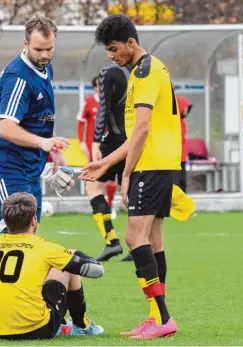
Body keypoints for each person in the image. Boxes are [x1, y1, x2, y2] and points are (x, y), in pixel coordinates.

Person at [81, 14, 180, 338]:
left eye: (113, 49)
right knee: (153, 239)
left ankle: (162, 318)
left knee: (134, 238)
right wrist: (105, 164)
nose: (111, 56)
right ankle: (157, 316)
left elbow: (141, 129)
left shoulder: (145, 71)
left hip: (151, 165)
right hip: (162, 163)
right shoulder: (145, 70)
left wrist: (124, 174)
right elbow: (137, 133)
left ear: (131, 43)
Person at [0, 16, 72, 233]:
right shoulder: (18, 77)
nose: (45, 55)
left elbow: (42, 117)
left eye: (50, 49)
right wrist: (44, 143)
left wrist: (53, 149)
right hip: (3, 166)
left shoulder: (46, 69)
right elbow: (6, 128)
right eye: (39, 49)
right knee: (15, 235)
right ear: (26, 44)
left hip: (28, 167)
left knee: (30, 234)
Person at [0, 192, 105, 340]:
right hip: (36, 328)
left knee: (42, 272)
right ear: (33, 221)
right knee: (66, 267)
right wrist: (74, 253)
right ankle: (82, 326)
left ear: (5, 222)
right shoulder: (44, 248)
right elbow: (97, 271)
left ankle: (64, 323)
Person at [84, 64, 132, 262]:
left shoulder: (107, 73)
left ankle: (112, 242)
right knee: (130, 193)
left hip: (114, 140)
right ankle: (140, 246)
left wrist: (95, 142)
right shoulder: (141, 71)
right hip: (134, 139)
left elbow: (103, 110)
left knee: (93, 188)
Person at [77, 76, 118, 221]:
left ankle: (111, 205)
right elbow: (81, 122)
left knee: (112, 178)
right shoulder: (88, 103)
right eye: (97, 86)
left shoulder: (113, 102)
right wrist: (82, 142)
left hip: (111, 145)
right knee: (96, 178)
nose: (100, 88)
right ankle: (101, 207)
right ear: (94, 87)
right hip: (93, 146)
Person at [176, 96, 193, 193]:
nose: (186, 111)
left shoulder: (182, 121)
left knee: (182, 183)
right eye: (185, 108)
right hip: (176, 157)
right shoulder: (174, 122)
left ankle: (182, 206)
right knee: (177, 184)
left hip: (182, 156)